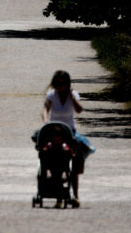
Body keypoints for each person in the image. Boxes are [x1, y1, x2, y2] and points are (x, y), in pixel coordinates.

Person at [42, 70, 86, 206]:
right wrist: (45, 122)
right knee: (50, 154)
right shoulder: (51, 95)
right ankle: (55, 191)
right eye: (58, 83)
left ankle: (76, 195)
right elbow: (45, 109)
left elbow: (79, 110)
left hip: (69, 132)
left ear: (68, 84)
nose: (61, 86)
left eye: (63, 83)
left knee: (78, 152)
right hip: (54, 130)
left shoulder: (73, 95)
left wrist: (72, 98)